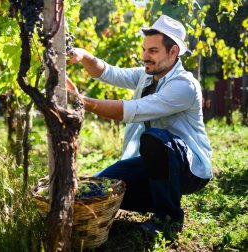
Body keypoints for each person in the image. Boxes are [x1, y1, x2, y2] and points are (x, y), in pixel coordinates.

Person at [66, 15, 212, 237]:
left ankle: (169, 218)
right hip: (155, 161)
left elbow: (132, 110)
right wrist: (84, 55)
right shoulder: (147, 76)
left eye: (153, 51)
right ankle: (159, 196)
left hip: (189, 169)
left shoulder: (184, 86)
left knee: (155, 138)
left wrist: (81, 101)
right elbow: (107, 72)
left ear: (173, 52)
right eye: (144, 49)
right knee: (101, 187)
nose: (145, 56)